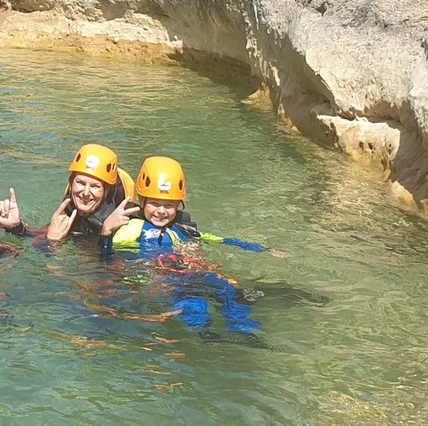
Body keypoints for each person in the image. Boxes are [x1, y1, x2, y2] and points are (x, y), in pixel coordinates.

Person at [102, 155, 273, 338]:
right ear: (141, 201)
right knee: (192, 300)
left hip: (193, 272)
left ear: (178, 204)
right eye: (154, 203)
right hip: (165, 279)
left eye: (169, 205)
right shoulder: (132, 228)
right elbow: (110, 254)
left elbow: (215, 239)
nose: (161, 211)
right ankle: (205, 334)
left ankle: (243, 329)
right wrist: (105, 233)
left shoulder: (182, 228)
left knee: (227, 290)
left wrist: (260, 248)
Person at [45, 144, 140, 242]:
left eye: (95, 186)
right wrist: (51, 238)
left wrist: (105, 233)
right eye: (80, 183)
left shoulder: (126, 226)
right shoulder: (68, 210)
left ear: (106, 191)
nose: (86, 193)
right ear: (71, 183)